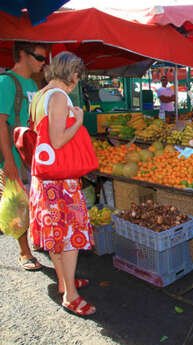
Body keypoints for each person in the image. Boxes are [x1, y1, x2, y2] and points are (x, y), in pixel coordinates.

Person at [29, 51, 96, 316]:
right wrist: (78, 122)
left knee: (56, 235)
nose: (78, 80)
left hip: (45, 179)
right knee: (70, 238)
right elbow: (57, 141)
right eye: (78, 75)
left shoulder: (41, 94)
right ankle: (71, 295)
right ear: (73, 73)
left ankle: (63, 281)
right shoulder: (58, 97)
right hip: (61, 182)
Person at [0, 41, 49, 270]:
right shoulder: (6, 82)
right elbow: (0, 123)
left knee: (33, 200)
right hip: (14, 155)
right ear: (23, 54)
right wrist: (8, 161)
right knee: (18, 203)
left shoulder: (33, 82)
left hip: (34, 154)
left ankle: (36, 239)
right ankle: (24, 251)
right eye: (39, 57)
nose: (43, 62)